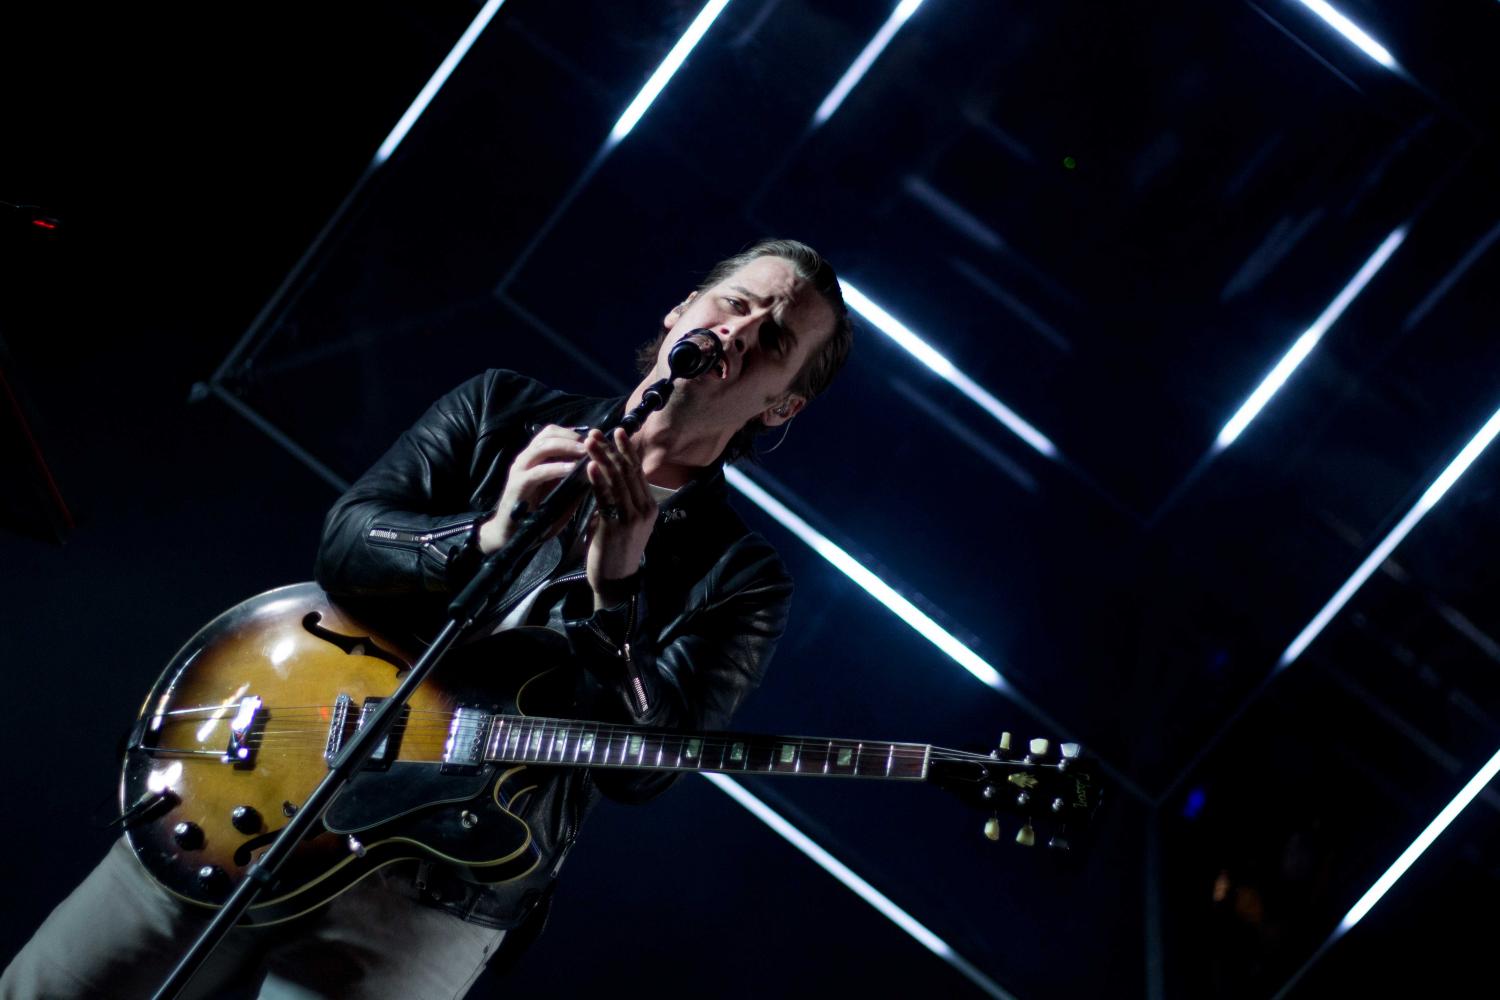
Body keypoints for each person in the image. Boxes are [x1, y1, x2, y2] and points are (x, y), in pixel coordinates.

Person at [1, 238, 853, 999]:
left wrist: (619, 594)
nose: (741, 332)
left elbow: (649, 767)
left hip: (444, 884)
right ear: (682, 313)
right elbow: (346, 544)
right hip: (264, 780)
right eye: (736, 303)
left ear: (783, 406)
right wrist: (486, 534)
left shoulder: (742, 578)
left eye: (775, 338)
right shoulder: (499, 409)